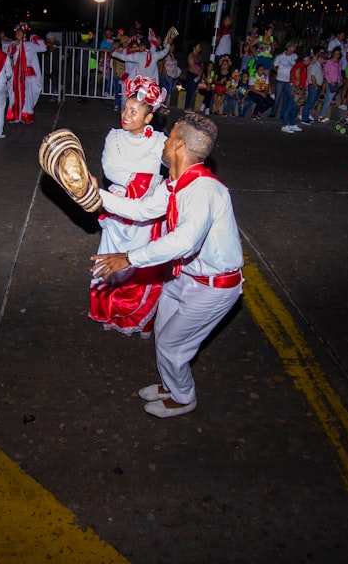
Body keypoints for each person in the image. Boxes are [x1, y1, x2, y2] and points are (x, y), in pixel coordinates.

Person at [90, 110, 243, 418]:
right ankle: (171, 384)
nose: (164, 140)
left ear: (179, 147)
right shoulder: (175, 184)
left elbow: (185, 242)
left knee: (173, 346)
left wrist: (130, 257)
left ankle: (184, 397)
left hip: (213, 289)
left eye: (170, 136)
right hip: (183, 276)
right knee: (163, 334)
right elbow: (142, 209)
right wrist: (97, 195)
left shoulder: (204, 191)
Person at [89, 75, 170, 337]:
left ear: (148, 118)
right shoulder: (113, 137)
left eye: (133, 112)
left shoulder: (160, 141)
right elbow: (110, 169)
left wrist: (152, 186)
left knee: (139, 262)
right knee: (110, 260)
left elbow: (175, 167)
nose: (125, 115)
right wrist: (147, 181)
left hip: (146, 212)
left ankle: (138, 316)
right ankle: (109, 310)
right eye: (125, 108)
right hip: (118, 209)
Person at [5, 22, 49, 124]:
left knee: (27, 96)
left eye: (20, 34)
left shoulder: (30, 45)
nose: (17, 36)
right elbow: (8, 54)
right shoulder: (14, 45)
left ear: (24, 35)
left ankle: (25, 116)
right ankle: (15, 116)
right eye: (16, 34)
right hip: (16, 75)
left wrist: (35, 38)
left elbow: (43, 47)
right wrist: (13, 46)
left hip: (27, 75)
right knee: (13, 95)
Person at [273, 41, 300, 133]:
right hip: (280, 79)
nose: (294, 49)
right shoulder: (280, 56)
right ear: (288, 47)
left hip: (289, 81)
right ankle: (274, 112)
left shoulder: (294, 56)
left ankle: (283, 114)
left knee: (288, 98)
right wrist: (279, 73)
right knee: (278, 96)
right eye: (293, 47)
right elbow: (274, 66)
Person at [183, 40, 204, 112]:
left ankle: (190, 107)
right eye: (198, 46)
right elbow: (192, 66)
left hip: (197, 76)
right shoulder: (191, 55)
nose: (199, 48)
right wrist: (197, 73)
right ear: (194, 48)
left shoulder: (199, 56)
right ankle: (187, 107)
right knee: (189, 91)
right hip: (191, 75)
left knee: (193, 91)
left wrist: (200, 74)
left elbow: (202, 66)